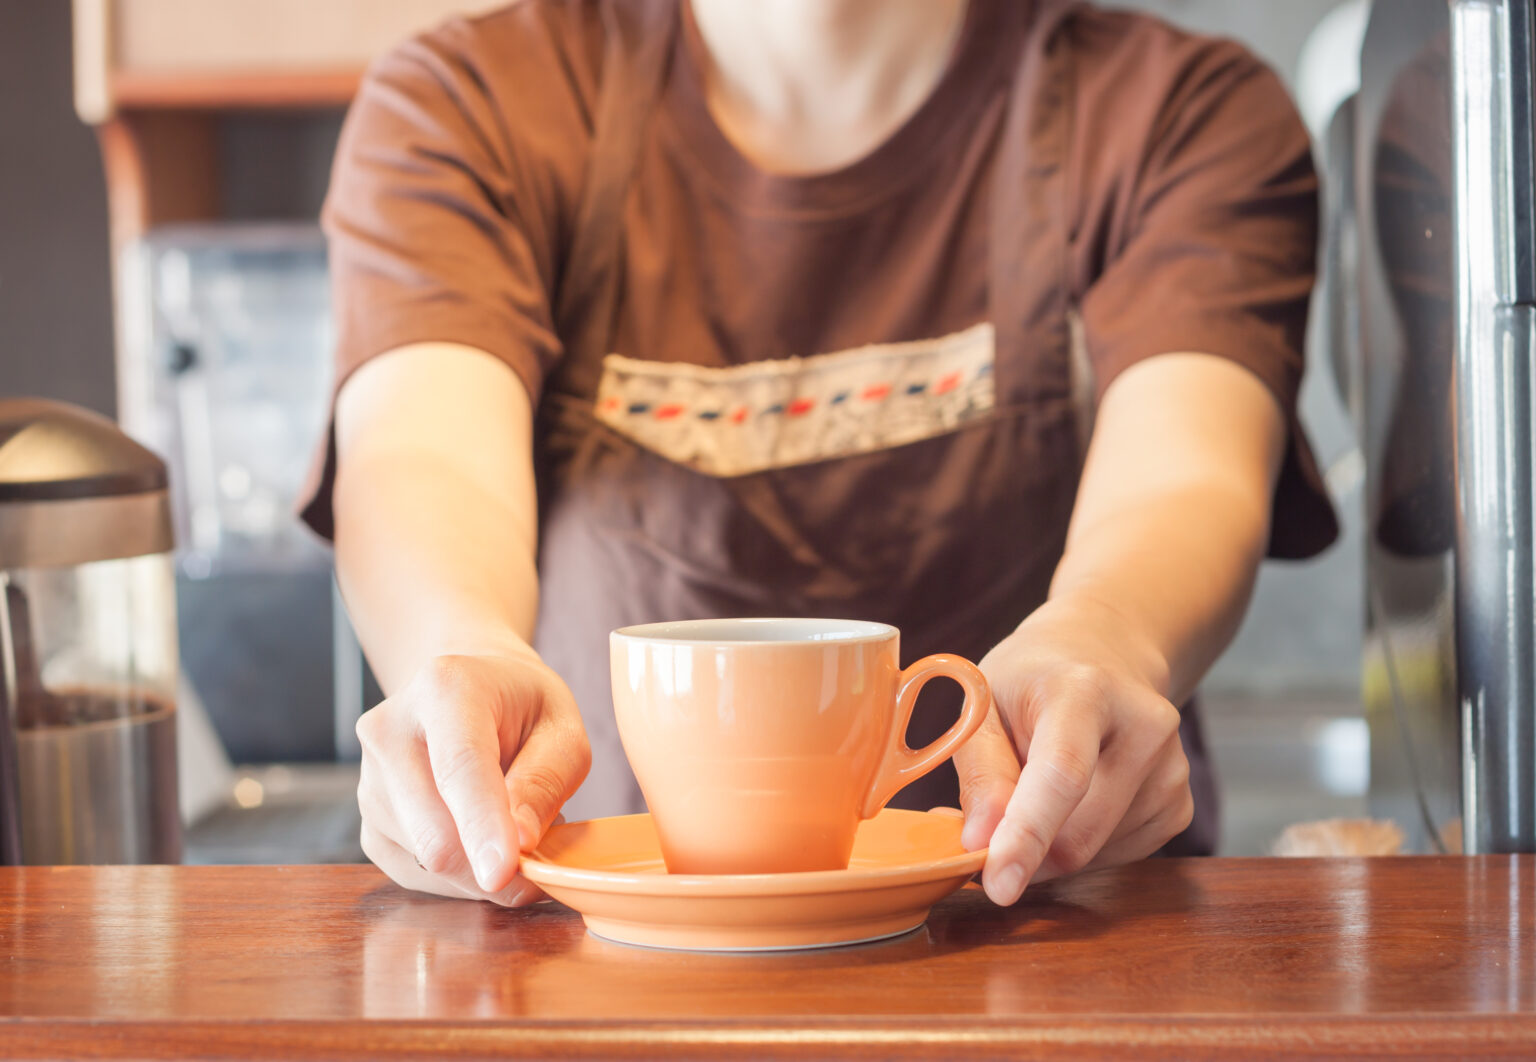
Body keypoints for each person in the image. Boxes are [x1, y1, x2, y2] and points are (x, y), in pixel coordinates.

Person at [300, 0, 1338, 909]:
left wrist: (1110, 637)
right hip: (599, 966)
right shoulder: (468, 102)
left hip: (1048, 939)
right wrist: (463, 652)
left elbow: (1191, 471)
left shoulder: (1178, 111)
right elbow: (417, 457)